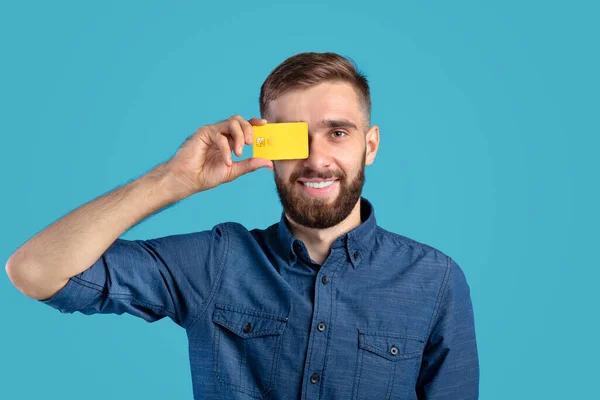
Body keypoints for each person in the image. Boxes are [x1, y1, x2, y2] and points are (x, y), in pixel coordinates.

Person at [5, 52, 479, 399]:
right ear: (266, 146)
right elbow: (34, 270)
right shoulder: (215, 262)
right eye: (294, 136)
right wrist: (172, 181)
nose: (315, 159)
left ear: (370, 146)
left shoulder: (435, 281)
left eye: (337, 132)